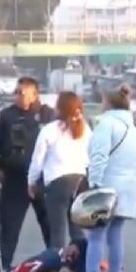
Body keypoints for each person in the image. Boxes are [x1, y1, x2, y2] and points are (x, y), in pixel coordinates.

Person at [77, 84, 136, 272]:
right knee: (116, 236)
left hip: (106, 185)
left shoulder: (106, 124)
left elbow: (99, 156)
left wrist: (94, 183)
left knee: (95, 236)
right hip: (127, 188)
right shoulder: (134, 130)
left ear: (109, 103)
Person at [0, 76, 54, 270]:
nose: (18, 97)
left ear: (35, 95)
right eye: (16, 93)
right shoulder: (6, 116)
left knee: (50, 224)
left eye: (22, 93)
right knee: (10, 225)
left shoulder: (48, 116)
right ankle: (2, 262)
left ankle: (55, 261)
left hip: (42, 179)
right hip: (15, 177)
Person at [27, 91, 91, 253]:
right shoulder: (86, 130)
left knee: (58, 233)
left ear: (59, 108)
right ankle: (81, 269)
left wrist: (31, 182)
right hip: (81, 182)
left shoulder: (50, 130)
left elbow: (37, 160)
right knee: (77, 231)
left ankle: (58, 270)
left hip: (58, 183)